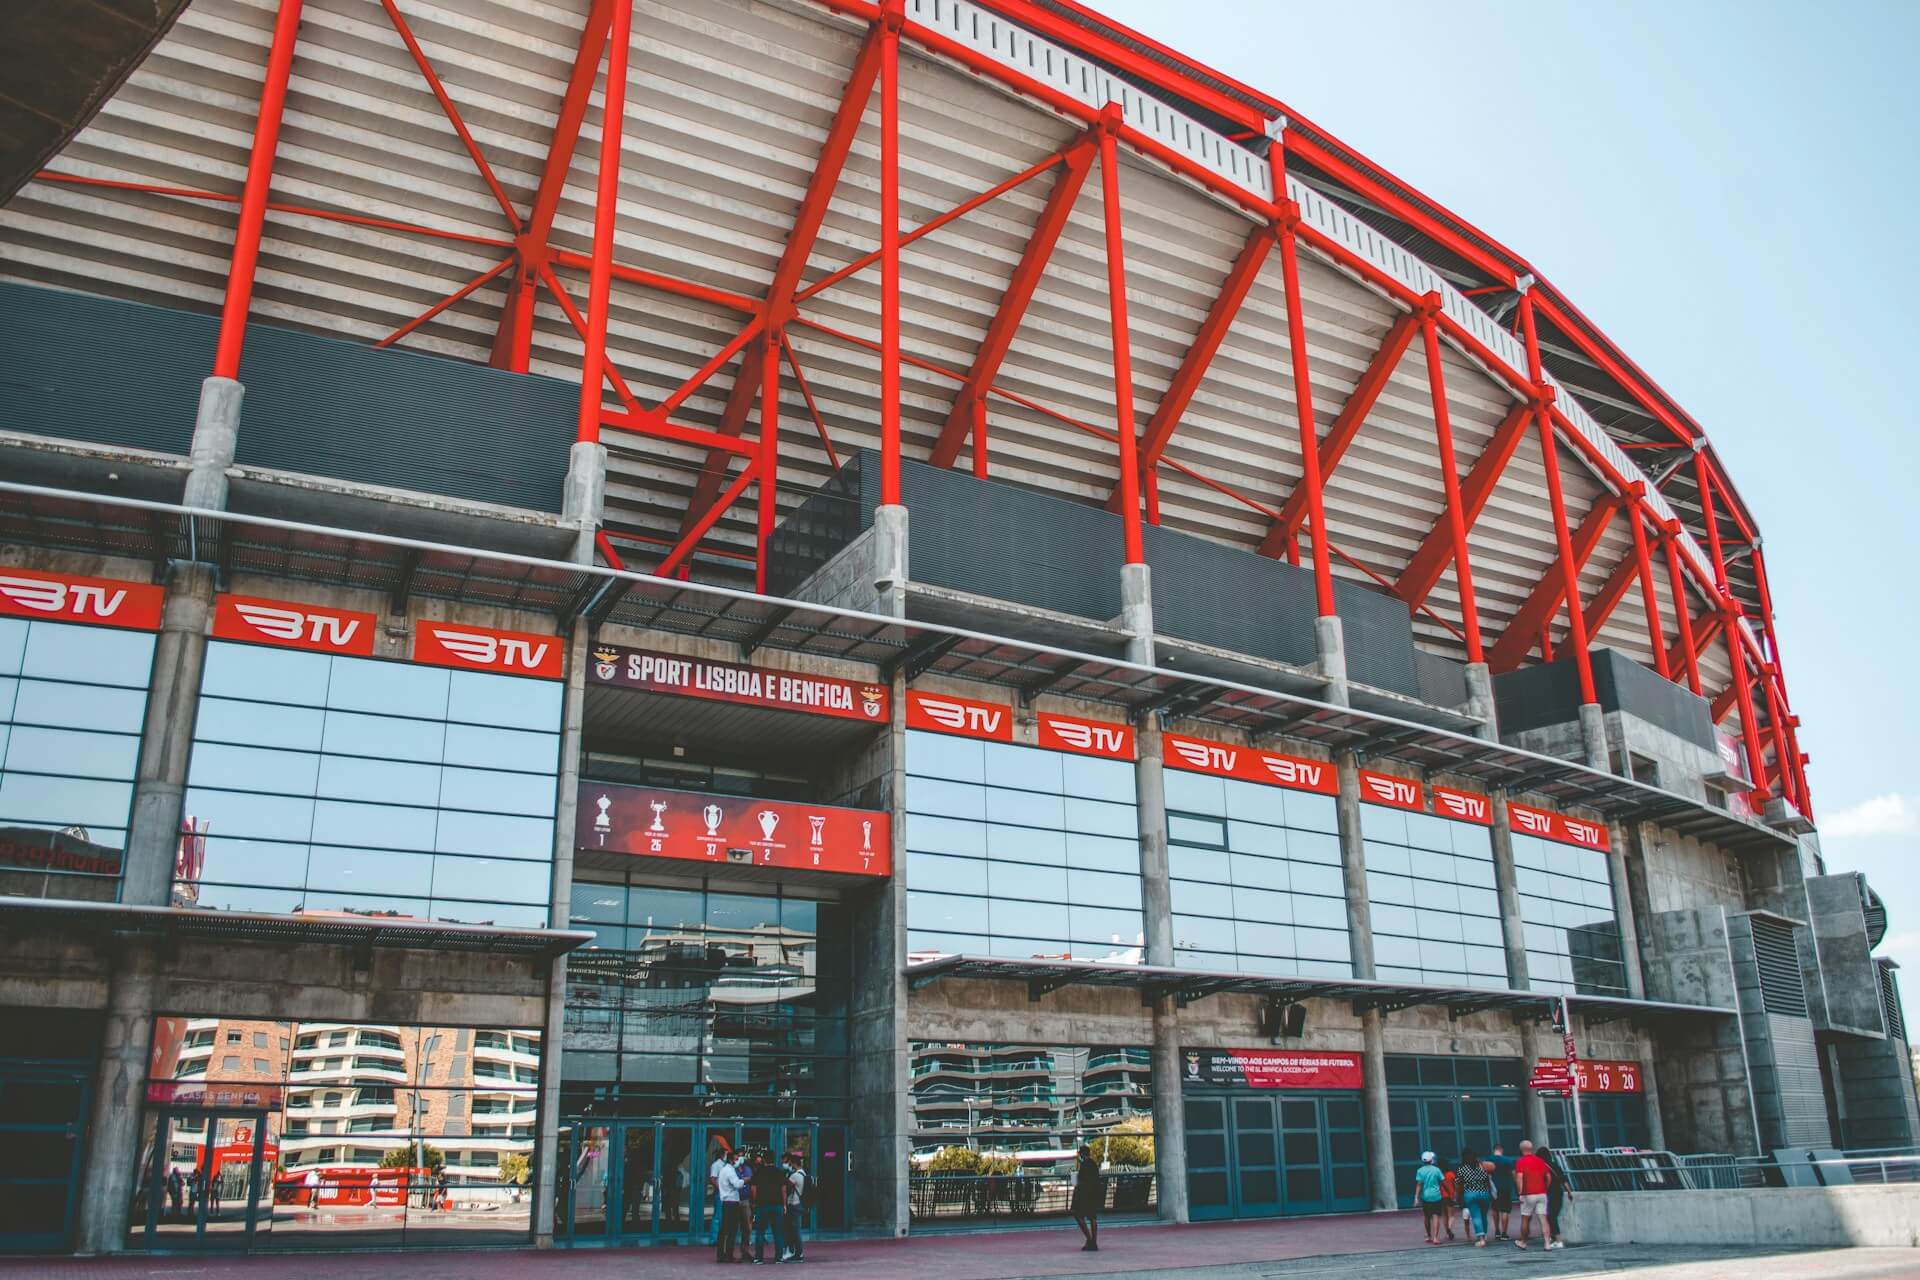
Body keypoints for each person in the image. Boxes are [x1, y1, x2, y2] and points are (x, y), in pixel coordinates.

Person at [1512, 1140, 1556, 1251]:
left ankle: (1523, 1242)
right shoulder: (1540, 1161)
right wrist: (1545, 1188)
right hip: (1541, 1193)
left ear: (1521, 1149)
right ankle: (1547, 1243)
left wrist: (1520, 1193)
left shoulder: (1520, 1162)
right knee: (1543, 1219)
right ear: (1531, 1149)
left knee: (1525, 1218)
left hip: (1528, 1194)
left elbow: (1519, 1178)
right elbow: (1548, 1177)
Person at [751, 1152, 785, 1264]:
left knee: (760, 1232)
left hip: (762, 1204)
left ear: (764, 1160)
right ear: (774, 1160)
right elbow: (783, 1190)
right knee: (778, 1232)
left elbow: (754, 1189)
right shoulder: (780, 1172)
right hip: (777, 1204)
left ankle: (759, 1258)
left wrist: (754, 1202)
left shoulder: (758, 1172)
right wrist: (784, 1204)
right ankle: (779, 1257)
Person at [1455, 1149, 1493, 1247]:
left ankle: (1481, 1239)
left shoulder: (1462, 1168)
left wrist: (1458, 1195)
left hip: (1470, 1194)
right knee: (1484, 1216)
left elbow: (1458, 1184)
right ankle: (1484, 1235)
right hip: (1484, 1193)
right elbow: (1488, 1179)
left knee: (1476, 1216)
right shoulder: (1482, 1166)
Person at [1069, 1143, 1103, 1252]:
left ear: (1082, 1154)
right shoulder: (1094, 1164)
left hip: (1084, 1195)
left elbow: (1080, 1181)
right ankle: (1094, 1240)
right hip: (1094, 1194)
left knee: (1078, 1216)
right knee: (1093, 1217)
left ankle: (1089, 1239)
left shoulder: (1084, 1165)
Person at [714, 1150, 747, 1263]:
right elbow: (737, 1184)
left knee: (724, 1229)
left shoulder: (724, 1170)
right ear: (731, 1160)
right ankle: (728, 1255)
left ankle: (721, 1254)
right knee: (731, 1229)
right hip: (731, 1202)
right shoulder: (730, 1171)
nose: (738, 1161)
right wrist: (744, 1180)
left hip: (726, 1202)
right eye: (736, 1159)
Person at [1540, 1144, 1573, 1247]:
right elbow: (1563, 1179)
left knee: (1550, 1216)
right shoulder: (1555, 1165)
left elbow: (1547, 1179)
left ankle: (1558, 1240)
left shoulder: (1542, 1167)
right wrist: (1569, 1192)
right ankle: (1554, 1239)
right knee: (1552, 1215)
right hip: (1558, 1192)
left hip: (1549, 1193)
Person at [1412, 1151, 1446, 1245]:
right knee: (1436, 1216)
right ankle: (1435, 1237)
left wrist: (1416, 1198)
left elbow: (1419, 1184)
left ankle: (1428, 1236)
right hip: (1436, 1196)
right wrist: (1449, 1192)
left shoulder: (1420, 1171)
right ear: (1432, 1160)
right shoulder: (1437, 1170)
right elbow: (1443, 1182)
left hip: (1425, 1196)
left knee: (1427, 1217)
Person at [780, 1151, 807, 1263]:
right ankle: (796, 1252)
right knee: (795, 1229)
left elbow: (787, 1188)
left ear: (794, 1163)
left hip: (794, 1204)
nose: (789, 1165)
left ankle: (799, 1253)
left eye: (790, 1163)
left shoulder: (795, 1176)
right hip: (799, 1204)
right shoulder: (803, 1174)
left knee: (795, 1230)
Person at [1486, 1144, 1516, 1240]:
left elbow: (1485, 1174)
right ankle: (1504, 1233)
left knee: (1495, 1209)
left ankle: (1497, 1231)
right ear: (1501, 1150)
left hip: (1494, 1187)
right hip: (1506, 1187)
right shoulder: (1508, 1160)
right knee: (1505, 1210)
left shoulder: (1488, 1159)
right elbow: (1513, 1174)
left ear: (1494, 1150)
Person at [1439, 1157, 1458, 1241]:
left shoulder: (1438, 1174)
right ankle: (1449, 1228)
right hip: (1450, 1196)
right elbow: (1456, 1185)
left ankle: (1447, 1233)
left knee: (1444, 1216)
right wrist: (1455, 1193)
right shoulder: (1451, 1174)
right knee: (1451, 1215)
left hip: (1441, 1197)